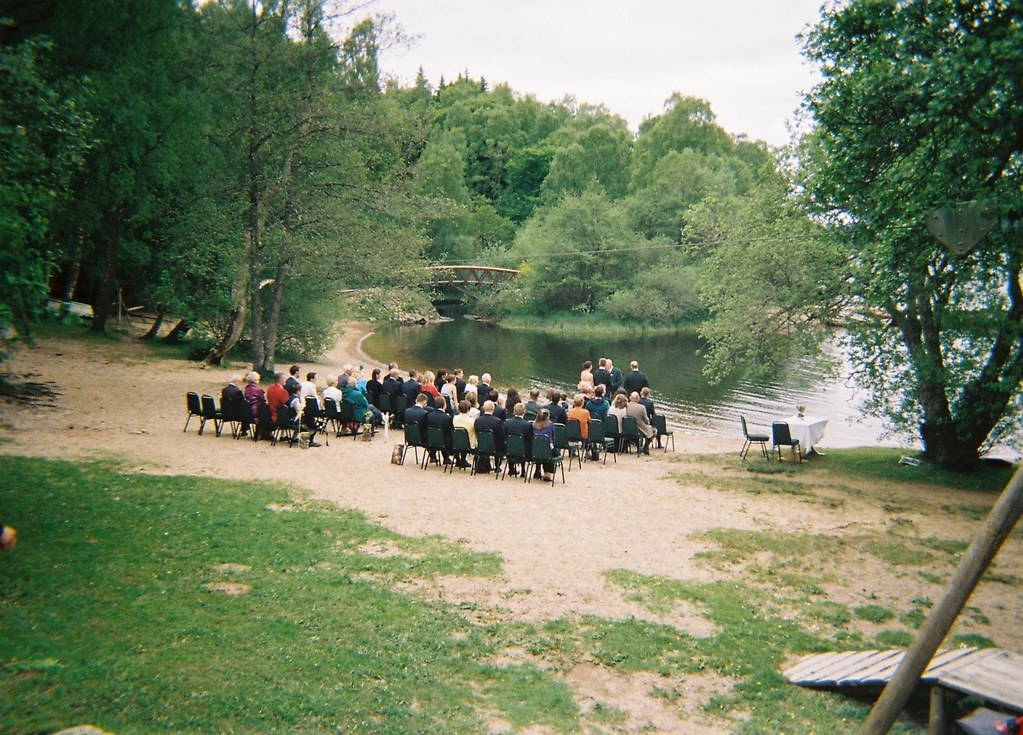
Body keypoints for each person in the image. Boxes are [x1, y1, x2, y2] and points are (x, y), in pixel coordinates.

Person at [474, 400, 505, 473]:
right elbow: (501, 435)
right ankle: (497, 466)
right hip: (494, 447)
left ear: (483, 409)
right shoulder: (497, 421)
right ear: (493, 409)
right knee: (500, 443)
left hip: (481, 445)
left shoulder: (478, 420)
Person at [504, 402, 533, 477]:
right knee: (525, 443)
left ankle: (511, 468)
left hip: (509, 450)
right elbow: (530, 439)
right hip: (524, 452)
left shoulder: (507, 423)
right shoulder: (528, 425)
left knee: (511, 442)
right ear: (524, 412)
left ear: (514, 411)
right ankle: (523, 470)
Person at [425, 395, 454, 464]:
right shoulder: (447, 418)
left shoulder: (428, 415)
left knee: (438, 434)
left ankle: (433, 455)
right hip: (444, 443)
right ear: (444, 405)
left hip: (430, 441)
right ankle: (447, 458)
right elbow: (450, 431)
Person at [531, 408, 557, 481]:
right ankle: (547, 473)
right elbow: (553, 437)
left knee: (540, 448)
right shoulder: (550, 424)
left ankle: (538, 470)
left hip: (535, 449)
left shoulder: (533, 424)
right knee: (552, 451)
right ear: (548, 417)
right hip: (548, 449)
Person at [221, 373, 251, 437]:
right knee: (246, 410)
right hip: (235, 413)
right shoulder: (237, 391)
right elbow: (242, 402)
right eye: (240, 381)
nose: (240, 383)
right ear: (236, 381)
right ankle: (244, 430)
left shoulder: (224, 390)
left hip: (225, 411)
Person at [567, 393, 594, 459]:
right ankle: (587, 452)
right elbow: (590, 421)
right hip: (583, 435)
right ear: (582, 403)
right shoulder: (585, 412)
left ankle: (572, 451)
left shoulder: (569, 411)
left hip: (572, 433)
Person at [452, 399, 476, 467]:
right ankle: (462, 460)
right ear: (468, 410)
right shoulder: (472, 421)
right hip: (469, 444)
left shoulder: (454, 418)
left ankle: (459, 459)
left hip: (456, 442)